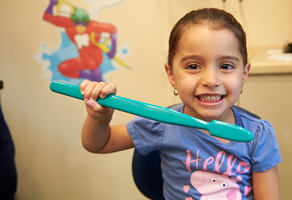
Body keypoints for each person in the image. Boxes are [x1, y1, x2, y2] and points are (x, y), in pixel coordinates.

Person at [79, 8, 281, 199]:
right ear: (172, 75)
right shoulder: (162, 125)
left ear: (244, 74)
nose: (211, 80)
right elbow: (99, 143)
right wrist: (100, 118)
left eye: (226, 66)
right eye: (193, 66)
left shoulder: (258, 135)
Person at [43, 0, 117, 82]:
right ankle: (92, 78)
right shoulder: (68, 24)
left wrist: (113, 50)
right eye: (77, 25)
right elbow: (47, 17)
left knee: (87, 58)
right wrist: (52, 4)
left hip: (95, 57)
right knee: (63, 68)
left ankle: (99, 81)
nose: (80, 28)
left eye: (83, 25)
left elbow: (112, 29)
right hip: (83, 58)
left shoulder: (94, 26)